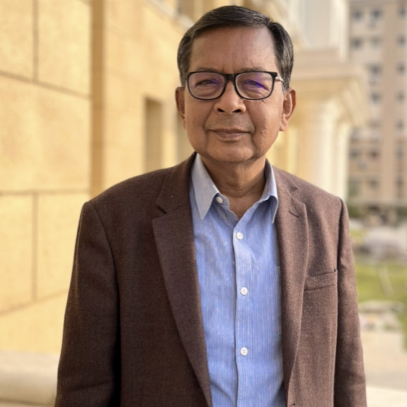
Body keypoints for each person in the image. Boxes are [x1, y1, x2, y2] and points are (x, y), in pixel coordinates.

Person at [55, 5, 366, 407]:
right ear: (182, 105)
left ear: (286, 107)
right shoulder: (113, 220)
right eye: (207, 82)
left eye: (254, 83)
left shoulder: (326, 216)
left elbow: (346, 375)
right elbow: (85, 387)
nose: (229, 102)